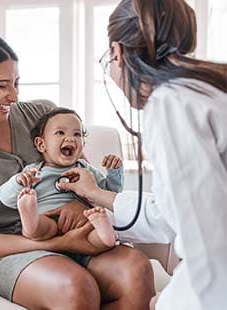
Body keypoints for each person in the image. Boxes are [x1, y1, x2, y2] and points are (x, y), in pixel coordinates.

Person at [0, 32, 155, 309]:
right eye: (2, 86)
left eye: (16, 83)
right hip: (13, 251)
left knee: (137, 270)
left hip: (77, 232)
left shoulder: (41, 114)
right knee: (76, 288)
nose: (14, 95)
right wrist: (60, 244)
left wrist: (78, 202)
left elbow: (83, 173)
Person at [57, 1, 227, 310]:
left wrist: (172, 302)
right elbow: (171, 213)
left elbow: (210, 250)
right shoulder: (206, 90)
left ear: (118, 53)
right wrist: (95, 195)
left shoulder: (171, 106)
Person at [0, 107, 123, 248]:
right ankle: (30, 218)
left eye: (77, 134)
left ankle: (105, 233)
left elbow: (110, 194)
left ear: (83, 145)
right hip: (48, 218)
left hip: (83, 221)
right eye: (60, 133)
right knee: (40, 228)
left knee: (94, 234)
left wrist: (114, 172)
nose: (70, 138)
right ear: (41, 144)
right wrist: (18, 182)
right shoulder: (34, 171)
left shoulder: (86, 169)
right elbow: (5, 198)